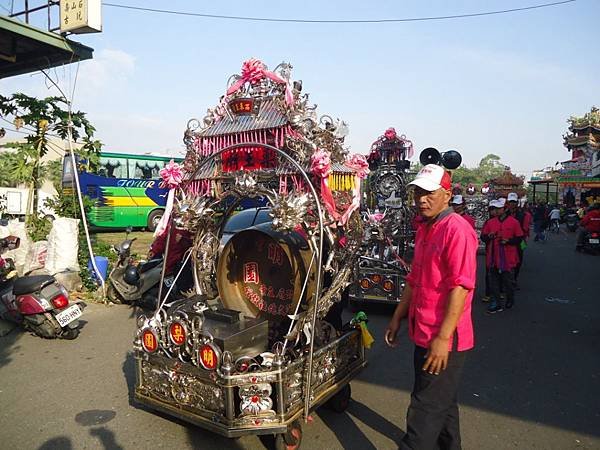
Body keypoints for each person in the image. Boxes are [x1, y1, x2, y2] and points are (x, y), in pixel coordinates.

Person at [385, 164, 478, 450]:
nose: (421, 199)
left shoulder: (456, 230)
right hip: (424, 332)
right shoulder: (427, 228)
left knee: (424, 410)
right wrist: (397, 317)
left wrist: (443, 338)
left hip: (444, 338)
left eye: (429, 193)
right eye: (417, 193)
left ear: (447, 195)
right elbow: (414, 279)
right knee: (442, 404)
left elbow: (460, 287)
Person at [481, 198, 524, 313]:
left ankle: (510, 298)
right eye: (495, 209)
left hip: (508, 257)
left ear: (504, 209)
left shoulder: (514, 222)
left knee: (508, 280)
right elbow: (483, 237)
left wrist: (508, 241)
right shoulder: (490, 223)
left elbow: (519, 238)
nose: (496, 211)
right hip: (493, 256)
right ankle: (495, 301)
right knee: (493, 280)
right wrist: (489, 236)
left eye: (499, 209)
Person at [480, 202, 500, 302]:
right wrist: (489, 237)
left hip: (502, 252)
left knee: (500, 272)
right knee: (489, 273)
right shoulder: (488, 222)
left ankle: (500, 291)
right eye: (491, 209)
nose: (493, 211)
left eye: (495, 209)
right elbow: (483, 236)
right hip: (490, 252)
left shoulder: (503, 221)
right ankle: (488, 293)